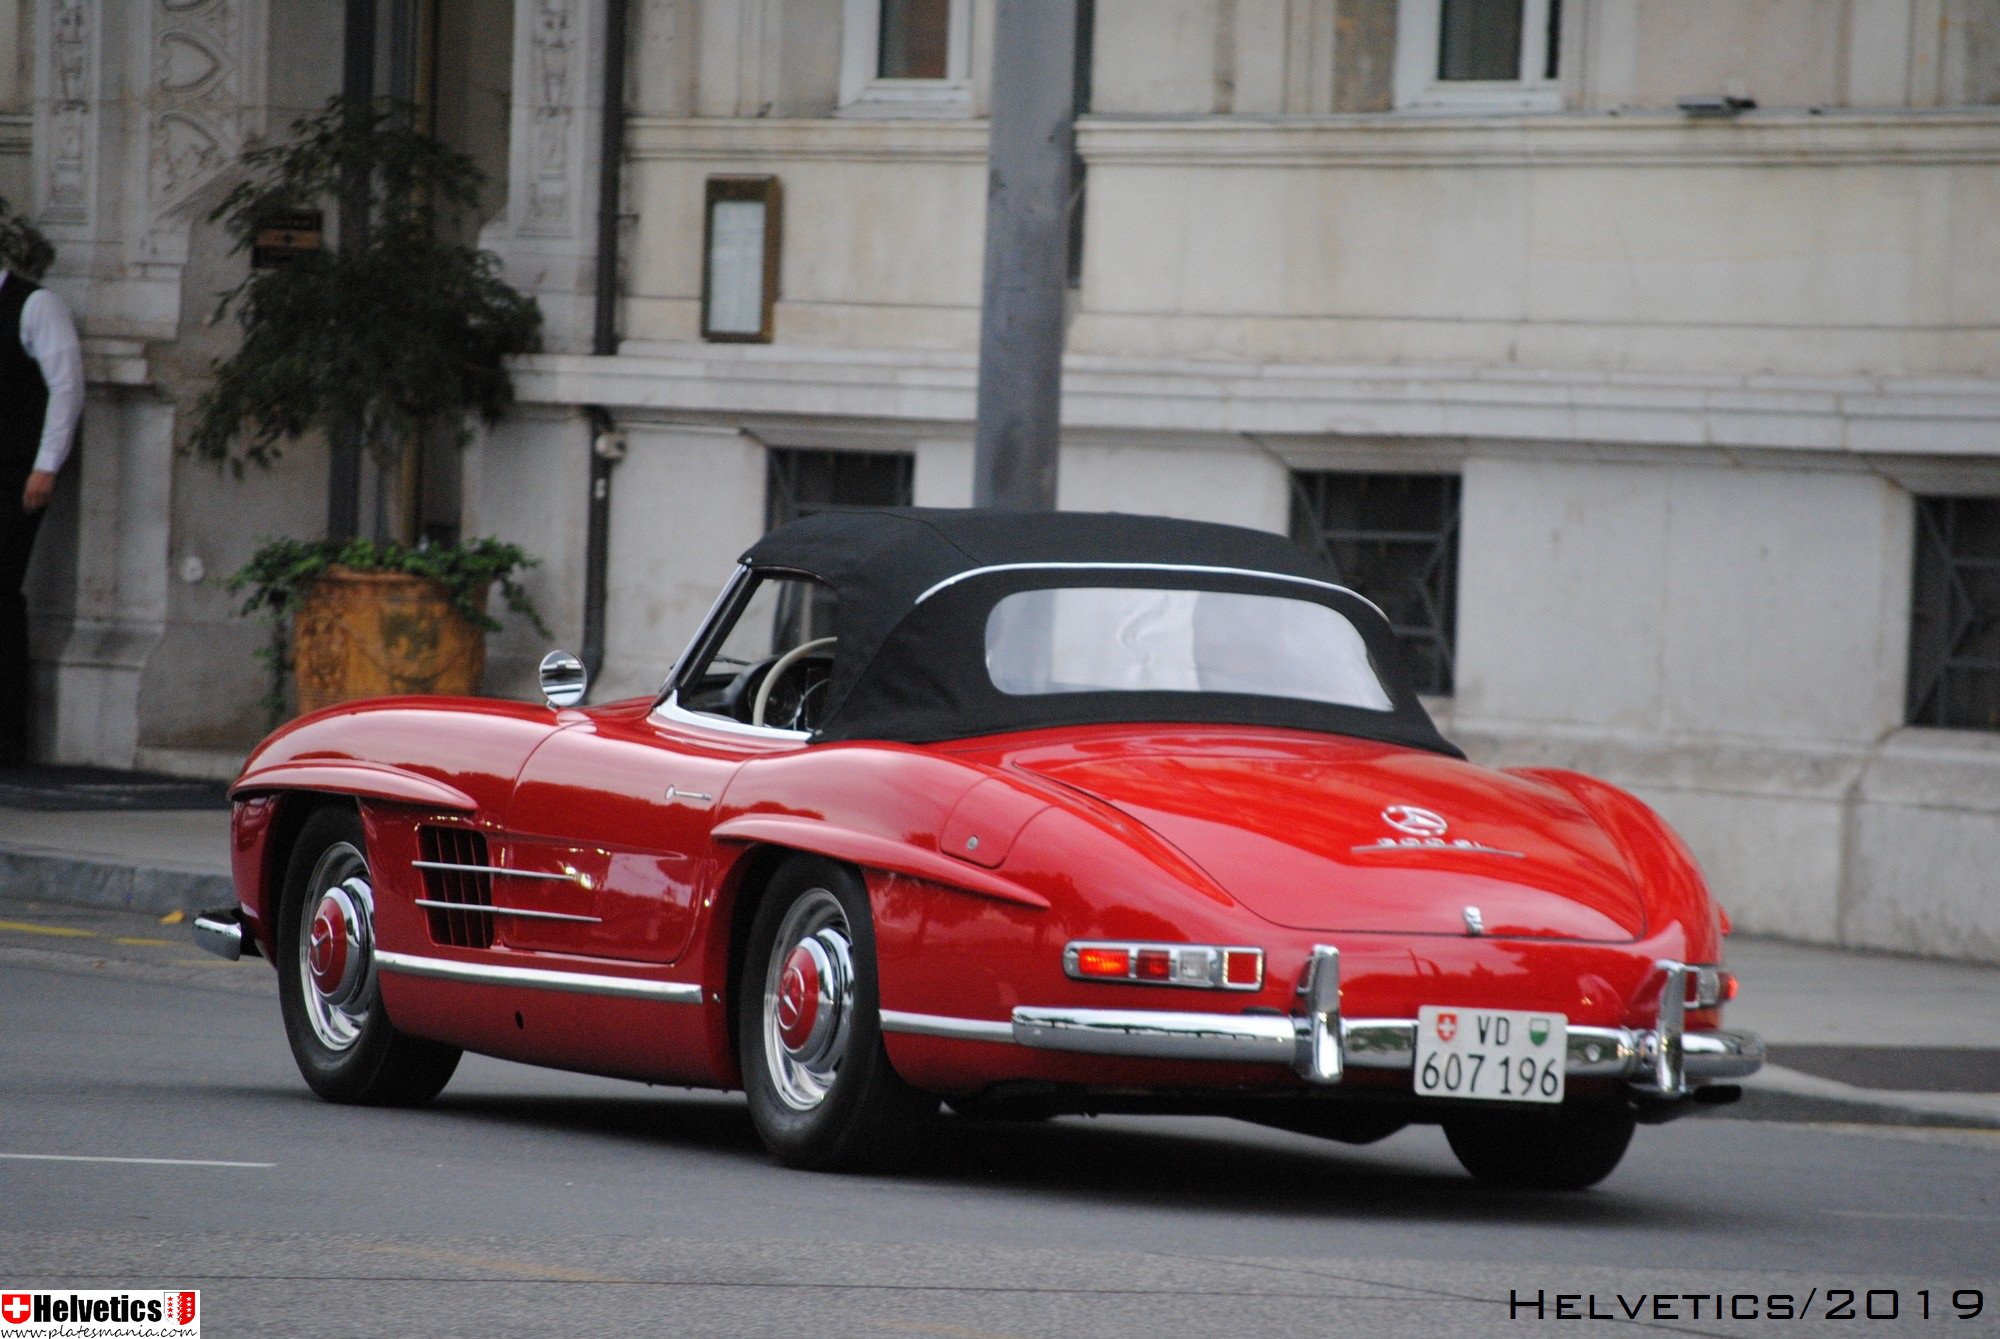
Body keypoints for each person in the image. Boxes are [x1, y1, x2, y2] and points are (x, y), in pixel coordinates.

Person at [0, 266, 83, 766]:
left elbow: (66, 387)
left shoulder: (34, 306)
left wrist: (45, 466)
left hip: (15, 472)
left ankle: (9, 734)